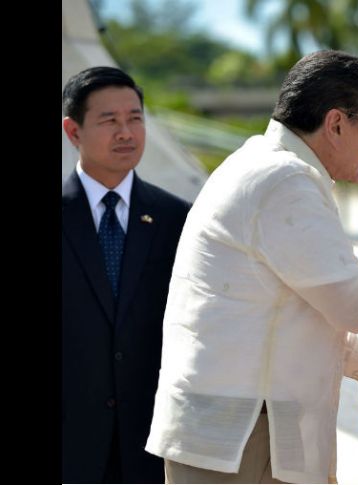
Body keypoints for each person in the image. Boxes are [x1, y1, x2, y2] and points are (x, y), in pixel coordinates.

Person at [144, 50, 358, 484]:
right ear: (336, 123)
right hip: (244, 438)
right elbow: (351, 299)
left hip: (241, 434)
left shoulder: (264, 165)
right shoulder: (284, 179)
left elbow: (287, 311)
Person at [61, 66, 192, 483]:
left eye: (135, 118)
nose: (126, 132)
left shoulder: (178, 218)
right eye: (109, 121)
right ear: (73, 131)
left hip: (152, 442)